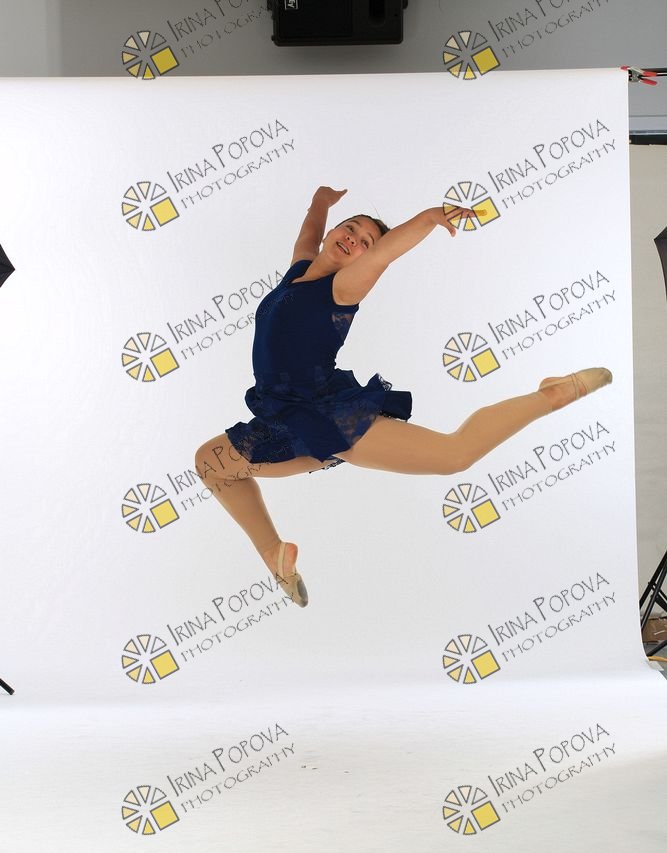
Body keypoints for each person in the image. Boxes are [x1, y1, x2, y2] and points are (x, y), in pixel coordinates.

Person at [195, 186, 611, 607]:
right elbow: (309, 232)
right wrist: (321, 201)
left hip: (327, 415)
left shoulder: (343, 288)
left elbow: (384, 255)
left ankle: (552, 394)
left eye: (365, 242)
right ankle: (274, 555)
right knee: (211, 464)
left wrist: (429, 217)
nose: (353, 239)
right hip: (283, 413)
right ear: (334, 232)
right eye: (350, 228)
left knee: (454, 455)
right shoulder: (300, 270)